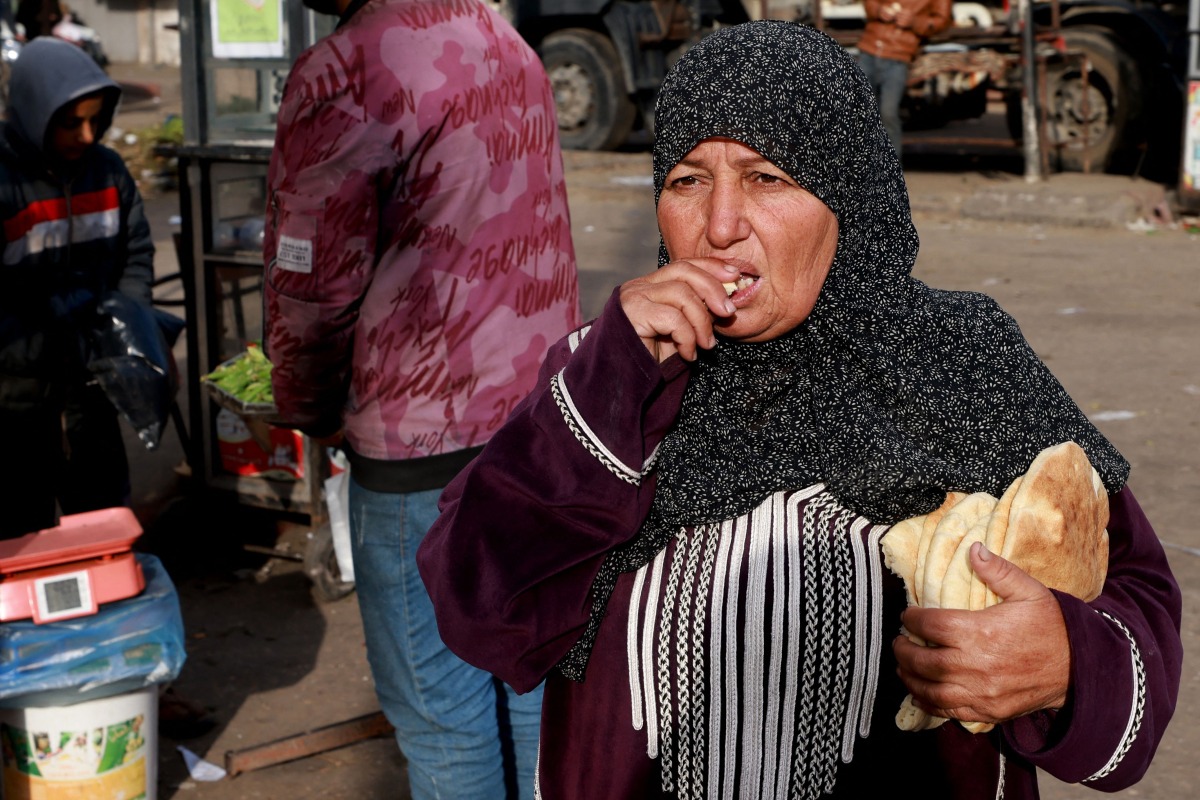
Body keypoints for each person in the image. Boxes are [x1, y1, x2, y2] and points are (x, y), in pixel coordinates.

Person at [416, 20, 1182, 799]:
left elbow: (1134, 603)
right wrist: (609, 386)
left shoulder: (962, 364)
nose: (719, 226)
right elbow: (478, 610)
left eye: (767, 177)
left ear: (846, 192)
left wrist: (1064, 664)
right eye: (686, 180)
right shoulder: (607, 368)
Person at [261, 0, 581, 797]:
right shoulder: (504, 40)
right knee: (530, 684)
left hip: (418, 445)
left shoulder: (346, 70)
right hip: (539, 429)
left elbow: (310, 280)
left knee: (444, 717)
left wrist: (302, 400)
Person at [0, 37, 154, 539]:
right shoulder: (4, 183)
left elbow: (134, 254)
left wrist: (126, 323)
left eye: (97, 120)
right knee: (22, 530)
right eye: (70, 123)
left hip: (92, 384)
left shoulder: (109, 172)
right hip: (15, 398)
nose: (87, 136)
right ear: (33, 112)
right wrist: (37, 340)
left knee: (103, 516)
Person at [856, 0, 952, 152]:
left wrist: (915, 22)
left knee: (888, 113)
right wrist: (879, 10)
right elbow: (869, 2)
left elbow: (943, 20)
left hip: (899, 55)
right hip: (870, 47)